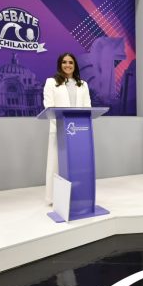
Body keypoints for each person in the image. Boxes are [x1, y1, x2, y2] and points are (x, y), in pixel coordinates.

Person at [43, 52, 91, 205]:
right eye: (64, 62)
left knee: (77, 165)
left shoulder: (83, 84)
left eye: (71, 62)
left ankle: (76, 195)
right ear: (60, 64)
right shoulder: (51, 82)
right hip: (60, 130)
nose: (68, 65)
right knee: (56, 164)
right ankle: (53, 198)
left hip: (79, 131)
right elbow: (48, 106)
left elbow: (87, 107)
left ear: (75, 65)